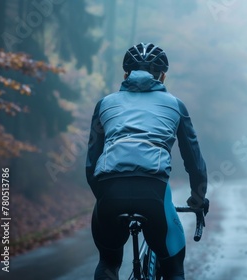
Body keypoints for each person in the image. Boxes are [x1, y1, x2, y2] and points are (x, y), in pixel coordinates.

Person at [85, 42, 208, 280]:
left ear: (125, 74)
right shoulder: (175, 105)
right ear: (162, 76)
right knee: (174, 270)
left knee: (108, 261)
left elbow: (92, 162)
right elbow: (193, 160)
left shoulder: (105, 104)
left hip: (109, 192)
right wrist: (197, 198)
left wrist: (104, 197)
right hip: (153, 191)